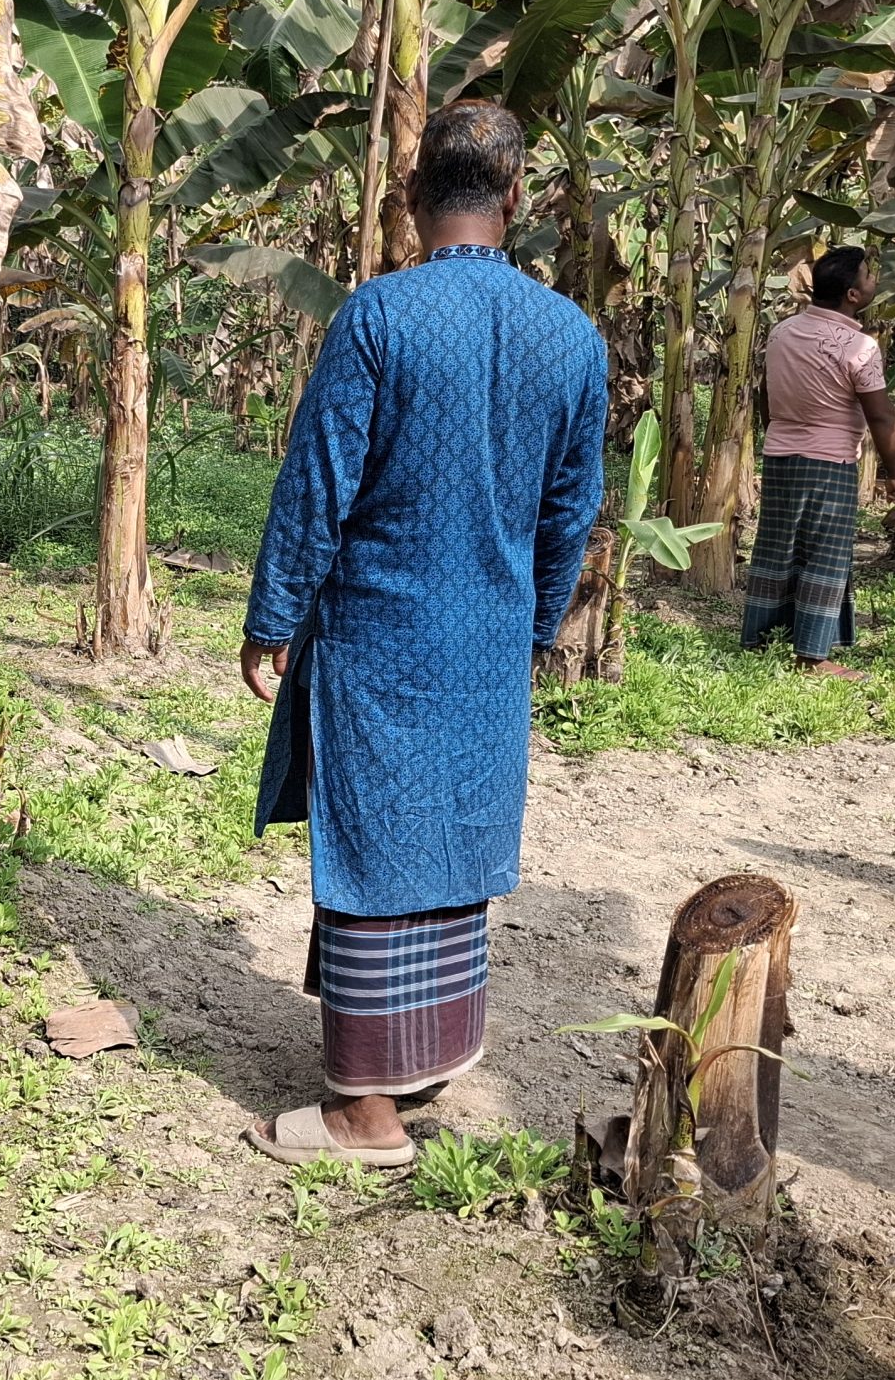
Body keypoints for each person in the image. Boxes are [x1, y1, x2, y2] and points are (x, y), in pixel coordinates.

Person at [235, 101, 607, 1167]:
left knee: (372, 846)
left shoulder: (380, 318)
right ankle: (425, 1060)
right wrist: (532, 624)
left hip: (379, 633)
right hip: (488, 637)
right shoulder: (568, 337)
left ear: (411, 198)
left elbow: (319, 485)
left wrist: (272, 616)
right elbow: (569, 510)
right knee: (450, 839)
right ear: (517, 198)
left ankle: (364, 1115)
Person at [739, 244, 895, 682]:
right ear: (853, 295)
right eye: (870, 275)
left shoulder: (781, 332)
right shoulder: (859, 345)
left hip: (780, 454)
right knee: (825, 556)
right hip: (829, 459)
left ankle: (761, 636)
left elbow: (767, 392)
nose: (874, 280)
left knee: (777, 546)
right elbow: (881, 415)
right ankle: (812, 657)